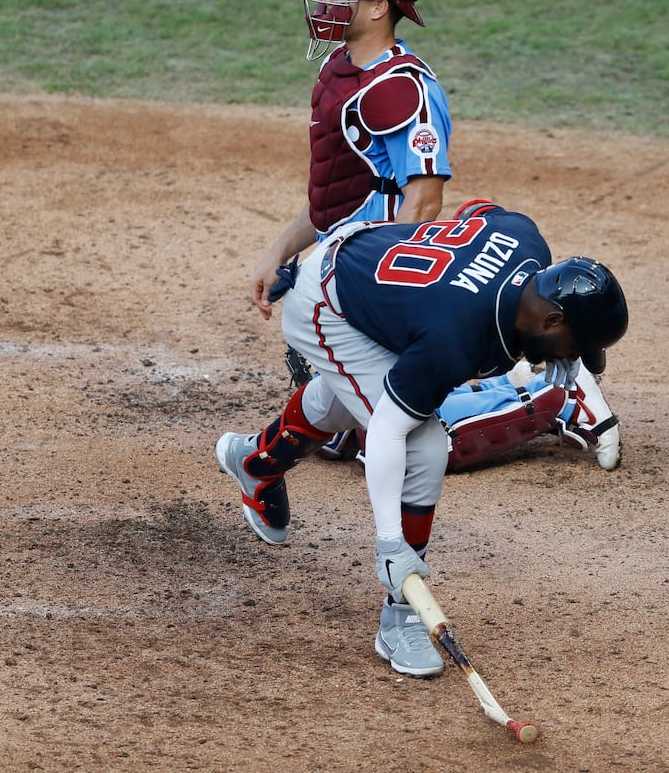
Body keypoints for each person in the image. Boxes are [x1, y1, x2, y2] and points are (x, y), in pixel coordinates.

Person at [249, 0, 621, 472]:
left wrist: (393, 307)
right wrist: (280, 252)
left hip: (377, 275)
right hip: (345, 263)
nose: (326, 0)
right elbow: (337, 196)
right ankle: (510, 379)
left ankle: (554, 398)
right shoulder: (340, 71)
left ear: (378, 6)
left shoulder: (402, 90)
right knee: (339, 430)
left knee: (404, 440)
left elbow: (422, 204)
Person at [217, 200, 629, 676]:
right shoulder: (455, 337)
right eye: (577, 345)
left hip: (373, 262)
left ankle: (257, 462)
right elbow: (389, 430)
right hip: (328, 304)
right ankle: (402, 614)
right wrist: (391, 544)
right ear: (552, 320)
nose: (574, 355)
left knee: (352, 395)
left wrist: (439, 285)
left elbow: (478, 210)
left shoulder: (526, 239)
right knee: (423, 444)